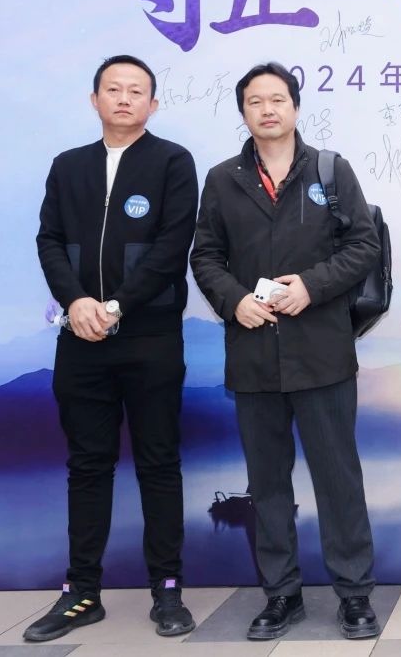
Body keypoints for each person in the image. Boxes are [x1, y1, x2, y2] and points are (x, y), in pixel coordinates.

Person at [191, 62, 381, 641]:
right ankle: (281, 594)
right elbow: (205, 256)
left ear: (296, 107)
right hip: (253, 353)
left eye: (278, 99)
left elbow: (364, 245)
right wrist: (234, 302)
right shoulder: (223, 180)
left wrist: (311, 286)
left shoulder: (330, 169)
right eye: (256, 101)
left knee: (338, 478)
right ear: (243, 112)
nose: (268, 109)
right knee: (267, 483)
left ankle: (354, 594)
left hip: (322, 352)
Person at [28, 54, 198, 641]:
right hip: (80, 339)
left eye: (136, 91)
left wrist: (118, 305)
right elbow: (49, 241)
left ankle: (168, 590)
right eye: (113, 89)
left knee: (159, 463)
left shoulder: (172, 161)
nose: (124, 99)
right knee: (87, 465)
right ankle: (81, 592)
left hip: (150, 337)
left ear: (153, 104)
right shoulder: (68, 166)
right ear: (94, 99)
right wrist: (76, 302)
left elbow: (171, 246)